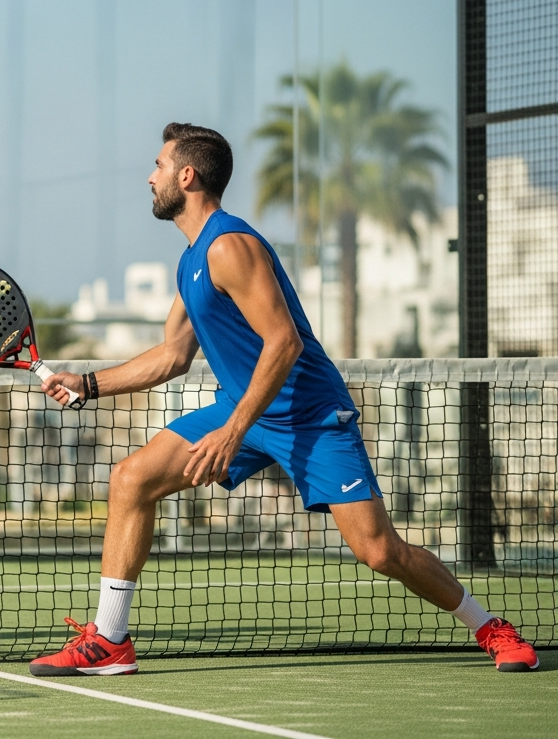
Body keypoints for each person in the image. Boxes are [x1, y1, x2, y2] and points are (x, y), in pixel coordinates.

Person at [29, 122, 539, 676]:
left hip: (308, 415)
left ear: (187, 175)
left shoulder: (230, 247)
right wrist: (89, 384)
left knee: (379, 551)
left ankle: (490, 627)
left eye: (158, 166)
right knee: (131, 479)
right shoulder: (191, 260)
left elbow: (284, 342)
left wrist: (231, 432)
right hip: (244, 408)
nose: (150, 177)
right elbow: (174, 355)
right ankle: (110, 640)